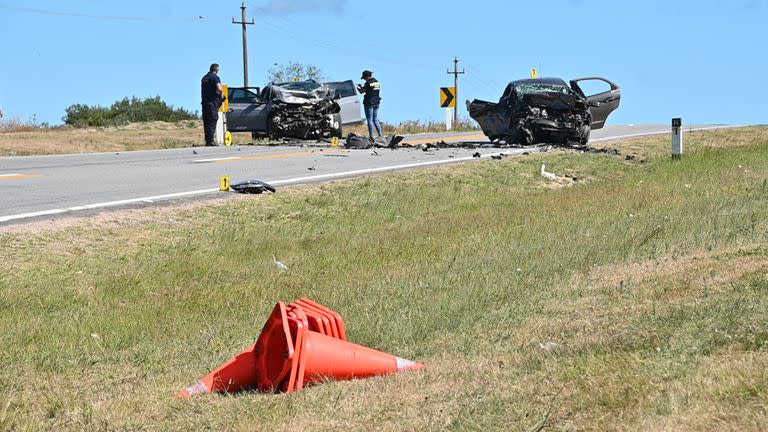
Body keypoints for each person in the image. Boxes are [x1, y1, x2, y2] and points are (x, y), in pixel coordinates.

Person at [201, 63, 224, 146]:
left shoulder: (204, 78)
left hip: (204, 103)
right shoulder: (215, 77)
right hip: (212, 103)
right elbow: (219, 88)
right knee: (212, 120)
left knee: (206, 122)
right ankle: (210, 141)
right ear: (217, 69)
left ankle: (208, 140)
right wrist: (222, 94)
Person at [357, 70, 382, 140]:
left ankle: (371, 136)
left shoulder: (368, 83)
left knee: (370, 120)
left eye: (364, 78)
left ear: (367, 76)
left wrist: (358, 87)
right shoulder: (377, 82)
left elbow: (362, 91)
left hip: (369, 103)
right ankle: (380, 135)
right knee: (375, 120)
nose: (364, 79)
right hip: (377, 102)